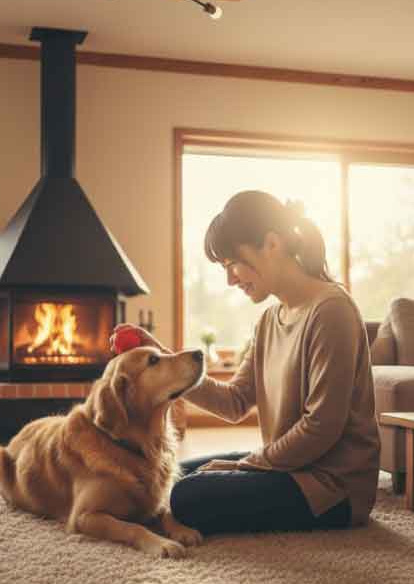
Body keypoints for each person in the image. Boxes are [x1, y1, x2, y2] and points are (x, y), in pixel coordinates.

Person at [111, 190, 381, 536]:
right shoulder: (269, 319)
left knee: (187, 495)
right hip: (292, 468)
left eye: (231, 264)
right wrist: (163, 361)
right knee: (179, 474)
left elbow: (322, 428)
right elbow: (235, 401)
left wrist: (245, 464)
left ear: (272, 244)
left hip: (331, 487)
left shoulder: (331, 311)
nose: (230, 279)